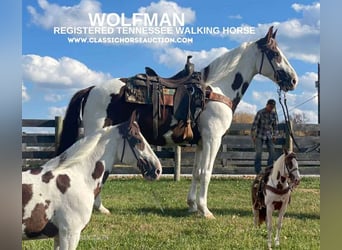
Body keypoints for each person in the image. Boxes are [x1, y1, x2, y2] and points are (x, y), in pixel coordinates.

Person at [251, 99, 278, 174]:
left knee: (272, 152)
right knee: (259, 153)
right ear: (267, 105)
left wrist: (275, 135)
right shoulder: (260, 113)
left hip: (269, 136)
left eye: (272, 107)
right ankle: (258, 171)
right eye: (270, 106)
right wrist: (253, 135)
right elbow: (254, 125)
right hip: (259, 135)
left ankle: (269, 170)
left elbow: (275, 126)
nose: (271, 108)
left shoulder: (274, 114)